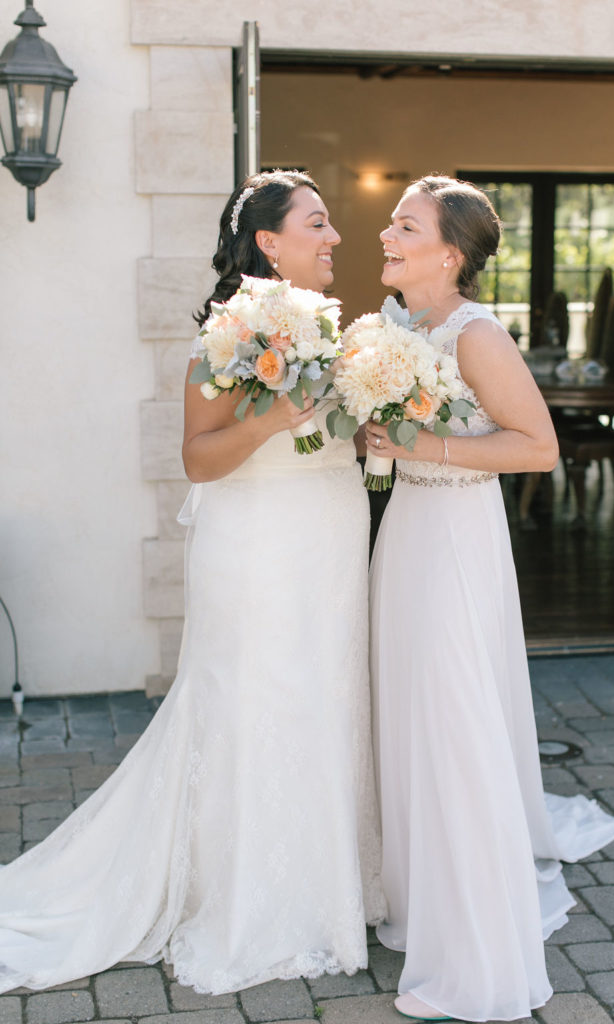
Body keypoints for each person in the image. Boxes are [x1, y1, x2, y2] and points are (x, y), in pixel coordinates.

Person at [0, 170, 384, 995]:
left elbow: (339, 435)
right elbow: (197, 457)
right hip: (256, 545)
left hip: (329, 531)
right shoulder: (227, 336)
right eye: (316, 224)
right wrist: (274, 413)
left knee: (327, 694)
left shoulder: (337, 329)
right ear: (267, 243)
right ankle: (251, 896)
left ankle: (330, 884)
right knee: (258, 700)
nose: (334, 238)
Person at [366, 176, 614, 1022]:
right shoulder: (394, 329)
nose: (385, 234)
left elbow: (537, 448)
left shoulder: (473, 334)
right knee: (407, 711)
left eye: (404, 225)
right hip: (404, 531)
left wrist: (422, 442)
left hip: (453, 537)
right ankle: (417, 897)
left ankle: (475, 944)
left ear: (449, 254)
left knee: (450, 719)